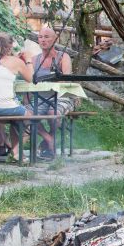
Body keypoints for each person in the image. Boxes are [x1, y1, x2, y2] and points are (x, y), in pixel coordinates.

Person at [0, 32, 55, 159]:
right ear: (8, 47)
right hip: (7, 109)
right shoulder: (15, 62)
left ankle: (14, 152)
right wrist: (27, 60)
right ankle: (17, 153)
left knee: (17, 118)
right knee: (28, 118)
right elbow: (31, 79)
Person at [32, 27, 74, 158]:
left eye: (46, 37)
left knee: (52, 112)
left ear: (55, 39)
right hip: (42, 97)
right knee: (27, 114)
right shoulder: (34, 60)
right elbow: (30, 80)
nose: (43, 40)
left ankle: (48, 142)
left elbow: (66, 80)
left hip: (62, 96)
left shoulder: (63, 57)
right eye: (40, 37)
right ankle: (49, 140)